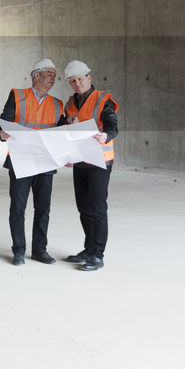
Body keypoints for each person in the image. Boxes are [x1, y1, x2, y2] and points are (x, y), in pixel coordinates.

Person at [0, 59, 63, 266]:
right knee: (18, 207)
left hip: (45, 161)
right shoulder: (17, 96)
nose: (53, 78)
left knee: (43, 208)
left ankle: (39, 251)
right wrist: (2, 132)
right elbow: (4, 119)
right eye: (49, 74)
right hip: (20, 159)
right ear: (36, 75)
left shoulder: (57, 104)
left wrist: (70, 124)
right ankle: (18, 251)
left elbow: (61, 133)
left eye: (54, 75)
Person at [59, 60, 118, 272]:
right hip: (79, 161)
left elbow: (112, 126)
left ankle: (97, 255)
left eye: (80, 79)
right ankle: (88, 249)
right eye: (72, 81)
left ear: (89, 78)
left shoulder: (103, 100)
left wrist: (106, 135)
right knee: (83, 207)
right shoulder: (70, 104)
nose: (77, 83)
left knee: (97, 208)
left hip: (99, 161)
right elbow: (65, 132)